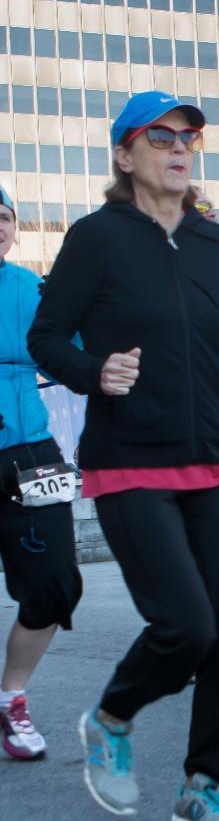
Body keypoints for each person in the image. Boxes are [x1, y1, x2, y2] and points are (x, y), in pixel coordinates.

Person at [28, 90, 219, 821]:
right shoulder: (96, 238)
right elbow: (47, 338)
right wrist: (95, 371)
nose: (179, 146)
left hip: (217, 454)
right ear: (124, 154)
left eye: (189, 136)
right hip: (131, 460)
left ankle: (205, 786)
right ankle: (112, 715)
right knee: (185, 623)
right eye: (160, 135)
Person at [0, 186, 83, 762]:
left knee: (56, 585)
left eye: (4, 218)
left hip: (28, 451)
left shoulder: (31, 290)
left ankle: (11, 699)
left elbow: (79, 354)